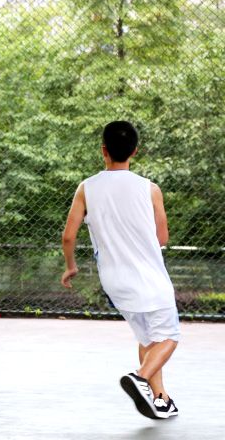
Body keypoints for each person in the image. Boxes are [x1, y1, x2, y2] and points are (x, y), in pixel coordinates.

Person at [61, 121, 179, 419]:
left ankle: (161, 399)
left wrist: (71, 266)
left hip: (115, 283)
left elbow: (68, 236)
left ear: (104, 150)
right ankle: (139, 378)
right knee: (169, 337)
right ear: (135, 151)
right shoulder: (150, 189)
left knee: (149, 339)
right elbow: (162, 237)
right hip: (150, 279)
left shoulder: (86, 188)